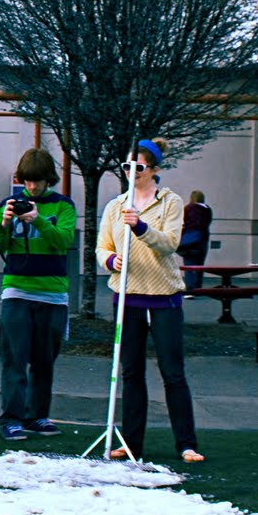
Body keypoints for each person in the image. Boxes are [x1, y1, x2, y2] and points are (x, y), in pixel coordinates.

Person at [95, 137, 203, 464]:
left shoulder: (169, 202)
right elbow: (103, 246)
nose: (132, 172)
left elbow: (170, 243)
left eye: (139, 167)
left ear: (153, 170)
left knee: (172, 371)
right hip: (128, 297)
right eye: (127, 166)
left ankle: (186, 443)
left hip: (163, 297)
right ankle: (131, 443)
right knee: (131, 372)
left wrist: (140, 226)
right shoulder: (116, 205)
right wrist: (109, 261)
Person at [0, 147, 75, 441]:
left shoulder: (63, 206)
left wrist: (37, 219)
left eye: (37, 181)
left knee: (44, 360)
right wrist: (5, 224)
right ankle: (12, 417)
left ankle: (38, 415)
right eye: (26, 181)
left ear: (48, 179)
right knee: (14, 358)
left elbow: (63, 241)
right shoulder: (7, 205)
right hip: (16, 292)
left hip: (52, 294)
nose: (32, 187)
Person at [178, 189, 213, 292]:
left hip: (188, 241)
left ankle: (190, 289)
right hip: (202, 240)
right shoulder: (207, 209)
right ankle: (198, 287)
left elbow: (182, 224)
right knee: (200, 265)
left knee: (189, 265)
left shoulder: (187, 209)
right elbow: (207, 223)